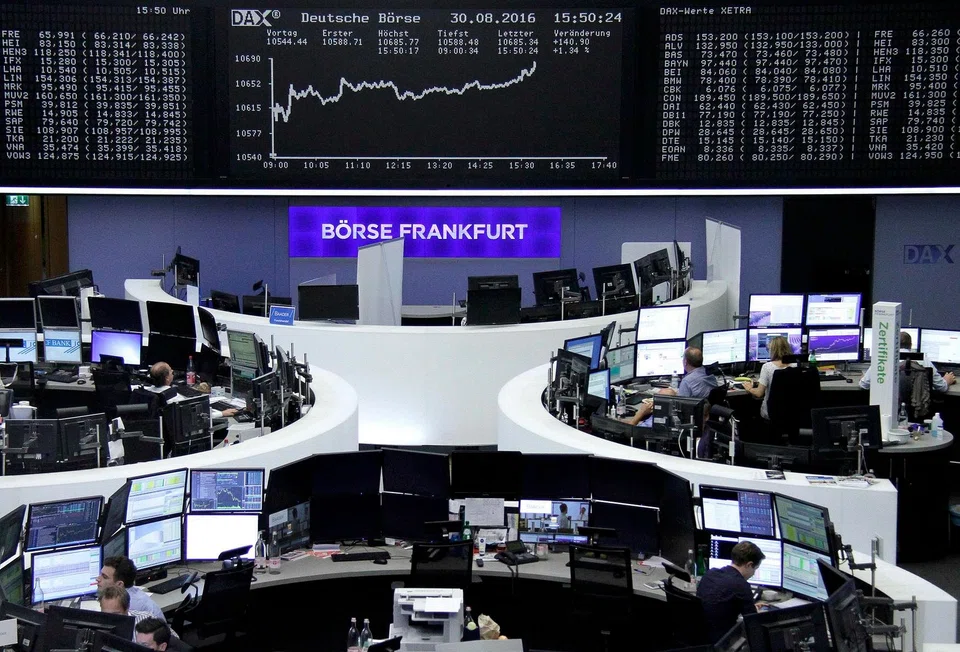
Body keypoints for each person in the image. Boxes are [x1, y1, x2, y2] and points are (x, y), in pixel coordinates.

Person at [696, 540, 766, 643]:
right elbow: (752, 623)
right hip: (721, 641)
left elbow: (719, 604)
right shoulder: (742, 585)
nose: (753, 573)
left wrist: (750, 606)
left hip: (699, 636)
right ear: (749, 564)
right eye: (755, 569)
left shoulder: (710, 573)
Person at [859, 331, 956, 392]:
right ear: (911, 345)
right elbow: (942, 387)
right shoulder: (923, 359)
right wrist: (947, 380)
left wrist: (866, 377)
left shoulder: (883, 359)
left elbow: (863, 385)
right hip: (918, 408)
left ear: (893, 344)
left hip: (888, 408)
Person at [145, 362, 238, 418]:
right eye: (171, 371)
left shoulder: (148, 391)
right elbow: (197, 415)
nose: (173, 372)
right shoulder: (173, 398)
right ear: (167, 378)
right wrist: (222, 413)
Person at [741, 336, 795, 420]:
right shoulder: (796, 366)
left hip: (771, 414)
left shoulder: (767, 367)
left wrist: (749, 388)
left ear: (773, 350)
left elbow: (759, 394)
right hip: (792, 414)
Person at [97, 556, 166, 620]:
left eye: (104, 577)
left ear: (119, 584)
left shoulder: (129, 604)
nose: (98, 579)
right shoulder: (132, 593)